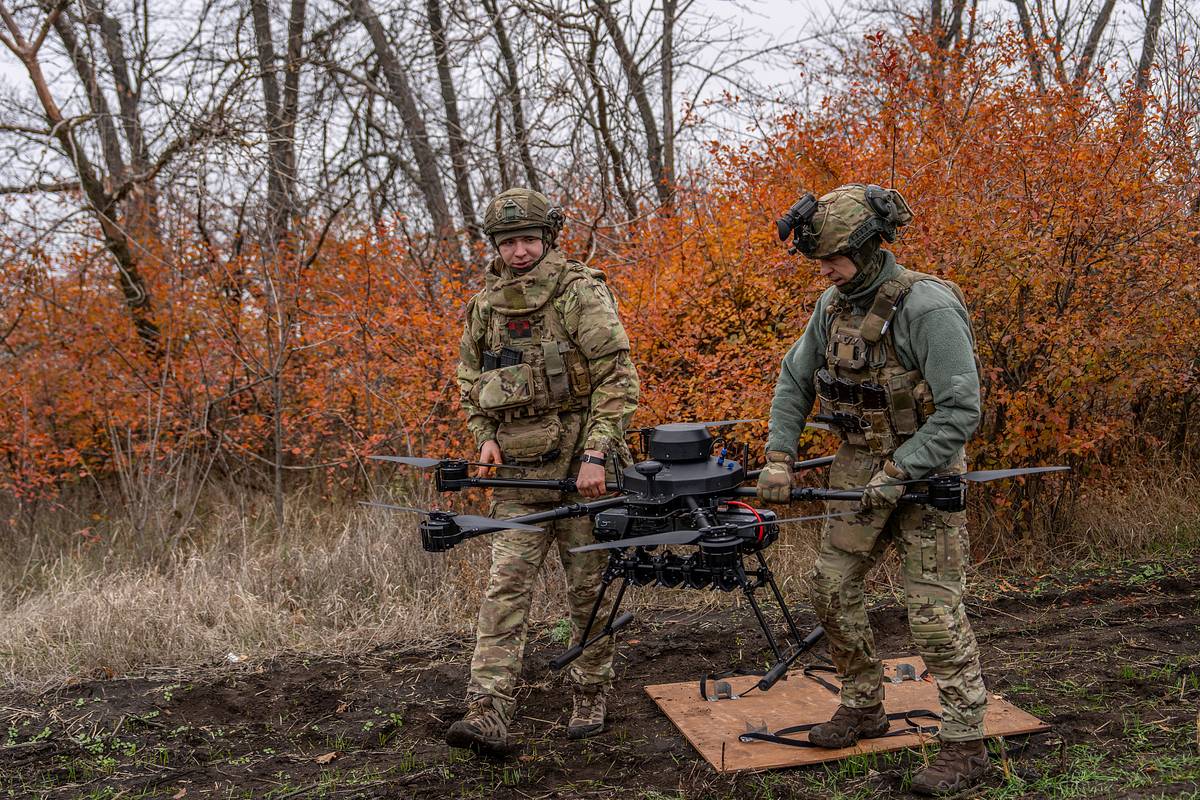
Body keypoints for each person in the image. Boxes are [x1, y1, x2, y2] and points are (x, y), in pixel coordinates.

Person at [758, 184, 990, 795]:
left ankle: (965, 743)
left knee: (932, 612)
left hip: (927, 475)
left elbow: (960, 410)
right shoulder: (833, 306)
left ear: (866, 249)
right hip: (857, 465)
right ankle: (863, 703)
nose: (825, 271)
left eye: (833, 259)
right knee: (830, 587)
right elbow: (794, 378)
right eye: (819, 262)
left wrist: (900, 471)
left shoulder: (927, 307)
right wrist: (779, 457)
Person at [446, 187, 639, 754]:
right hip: (518, 477)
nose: (520, 252)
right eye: (509, 242)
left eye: (529, 239)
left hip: (584, 475)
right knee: (504, 589)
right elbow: (468, 381)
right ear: (496, 246)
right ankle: (487, 710)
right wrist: (484, 438)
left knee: (589, 592)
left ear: (548, 239)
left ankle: (590, 691)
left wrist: (597, 453)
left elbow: (618, 379)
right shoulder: (485, 307)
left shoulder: (578, 292)